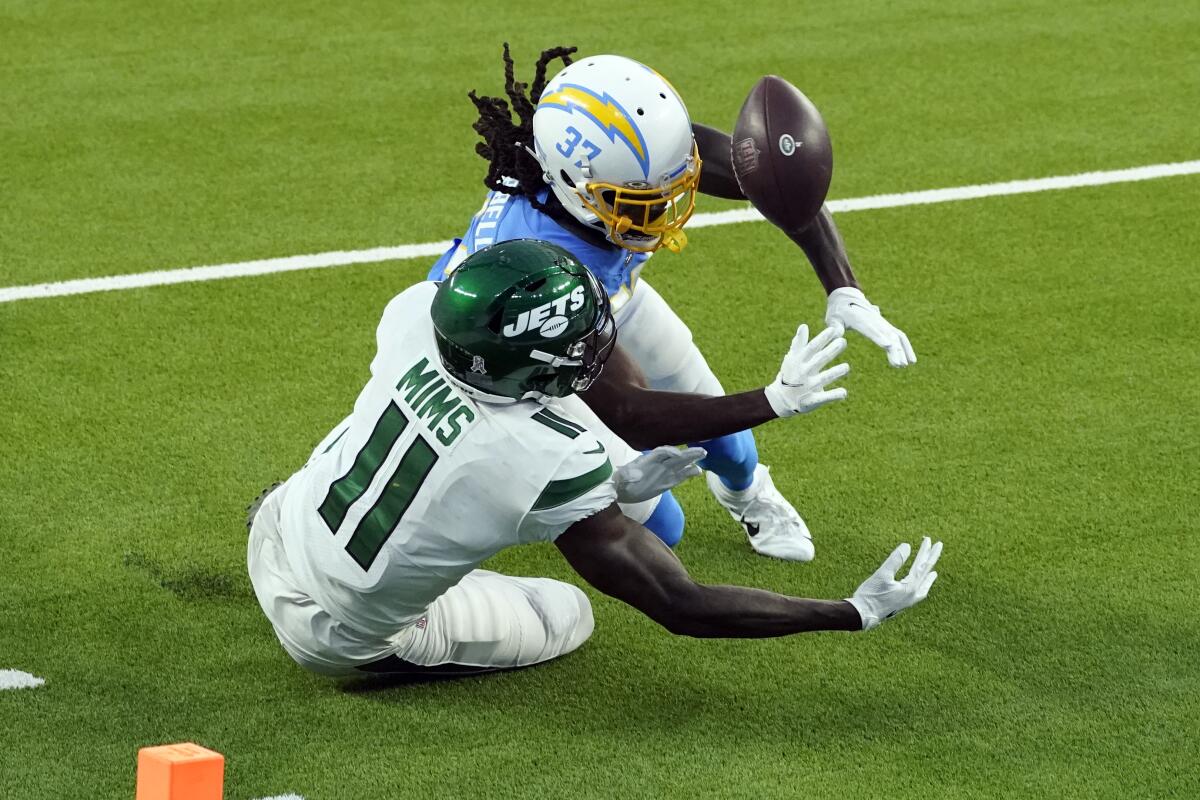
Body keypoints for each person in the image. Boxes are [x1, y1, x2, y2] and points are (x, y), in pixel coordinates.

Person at [247, 239, 941, 678]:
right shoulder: (541, 456)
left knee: (415, 479)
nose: (593, 349)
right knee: (569, 614)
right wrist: (849, 611)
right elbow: (681, 604)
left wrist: (610, 481)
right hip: (332, 633)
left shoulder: (414, 316)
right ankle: (384, 647)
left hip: (277, 526)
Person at [427, 45, 916, 561]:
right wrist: (775, 399)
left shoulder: (621, 162)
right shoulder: (540, 267)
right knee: (660, 525)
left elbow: (776, 185)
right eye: (639, 201)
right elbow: (632, 411)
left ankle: (748, 495)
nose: (665, 210)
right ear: (573, 186)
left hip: (601, 293)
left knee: (732, 445)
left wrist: (844, 289)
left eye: (670, 186)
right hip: (516, 348)